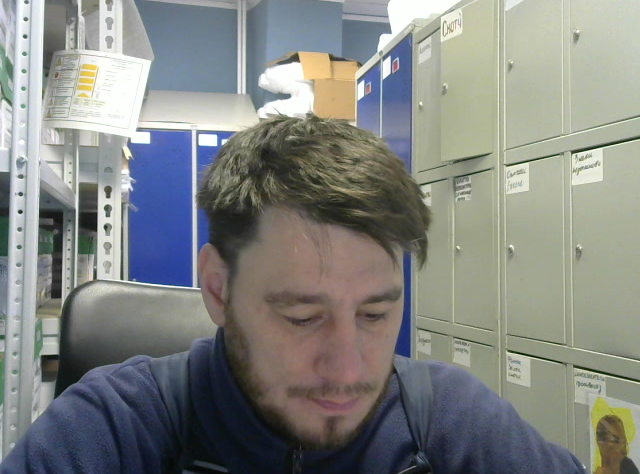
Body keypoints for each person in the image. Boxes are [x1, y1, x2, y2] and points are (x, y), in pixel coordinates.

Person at [0, 115, 585, 473]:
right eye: (303, 317)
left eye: (376, 314)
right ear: (218, 289)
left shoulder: (450, 423)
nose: (349, 368)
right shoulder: (113, 430)